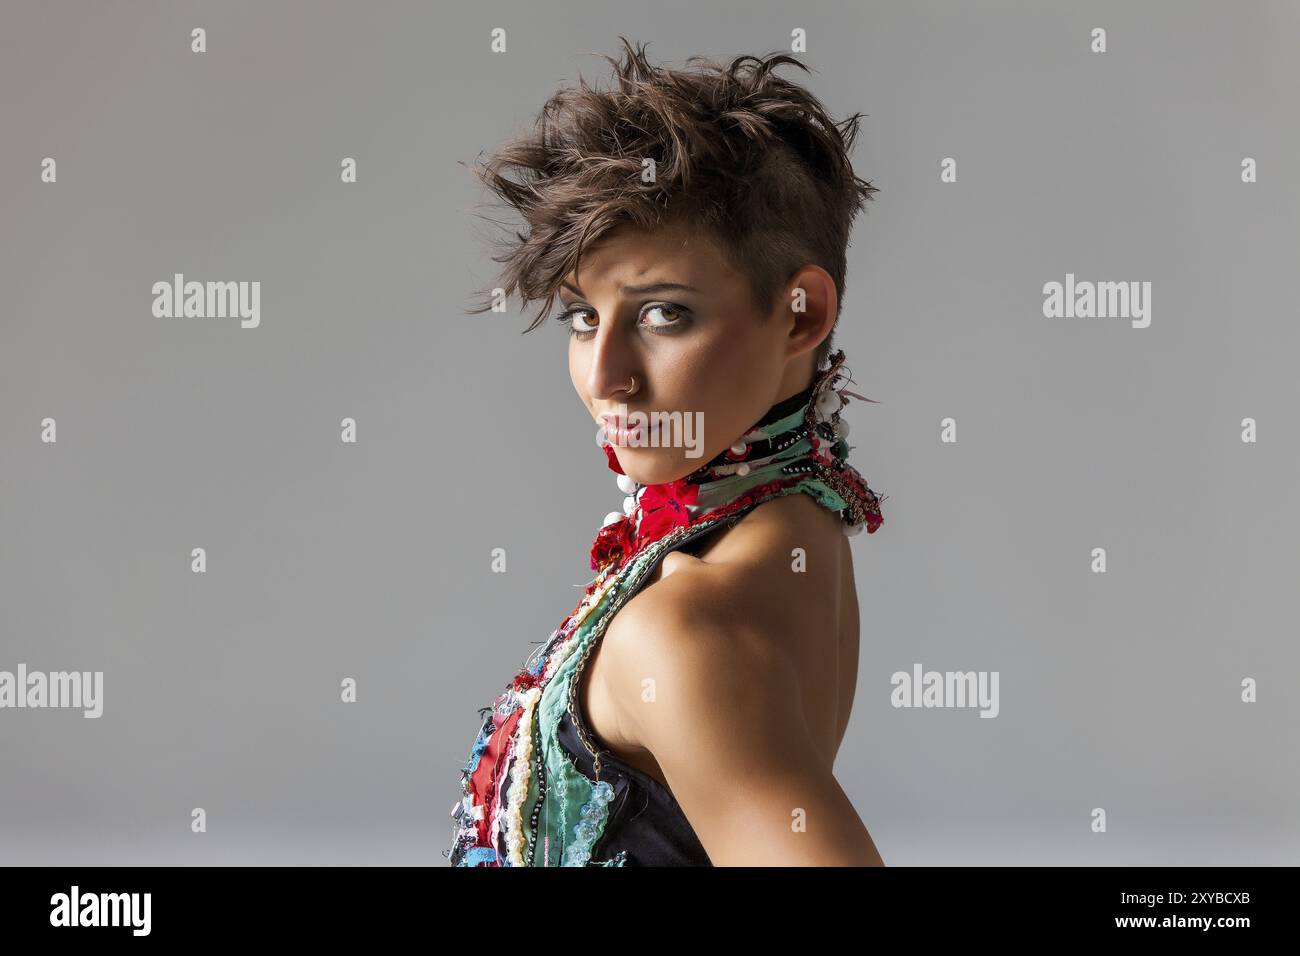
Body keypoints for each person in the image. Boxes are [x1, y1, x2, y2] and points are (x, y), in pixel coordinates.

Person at [446, 37, 887, 866]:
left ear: (799, 313)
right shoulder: (796, 530)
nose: (605, 377)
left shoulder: (684, 629)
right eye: (583, 317)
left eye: (662, 315)